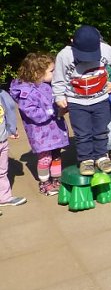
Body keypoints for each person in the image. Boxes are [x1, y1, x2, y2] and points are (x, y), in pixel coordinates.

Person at [53, 26, 111, 175]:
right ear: (72, 41)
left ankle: (101, 157)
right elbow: (58, 79)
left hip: (100, 99)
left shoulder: (104, 49)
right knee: (82, 133)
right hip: (76, 102)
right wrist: (59, 96)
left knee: (101, 130)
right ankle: (85, 160)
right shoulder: (64, 55)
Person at [10, 53, 70, 196]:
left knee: (56, 155)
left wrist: (61, 106)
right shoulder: (27, 92)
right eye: (51, 71)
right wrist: (52, 111)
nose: (54, 73)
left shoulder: (46, 85)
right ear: (38, 73)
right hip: (41, 133)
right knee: (45, 158)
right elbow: (31, 112)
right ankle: (44, 183)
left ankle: (57, 179)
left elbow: (54, 100)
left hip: (54, 129)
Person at [0, 85, 23, 208]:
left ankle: (4, 197)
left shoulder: (2, 94)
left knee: (2, 171)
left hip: (2, 141)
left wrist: (11, 129)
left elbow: (9, 110)